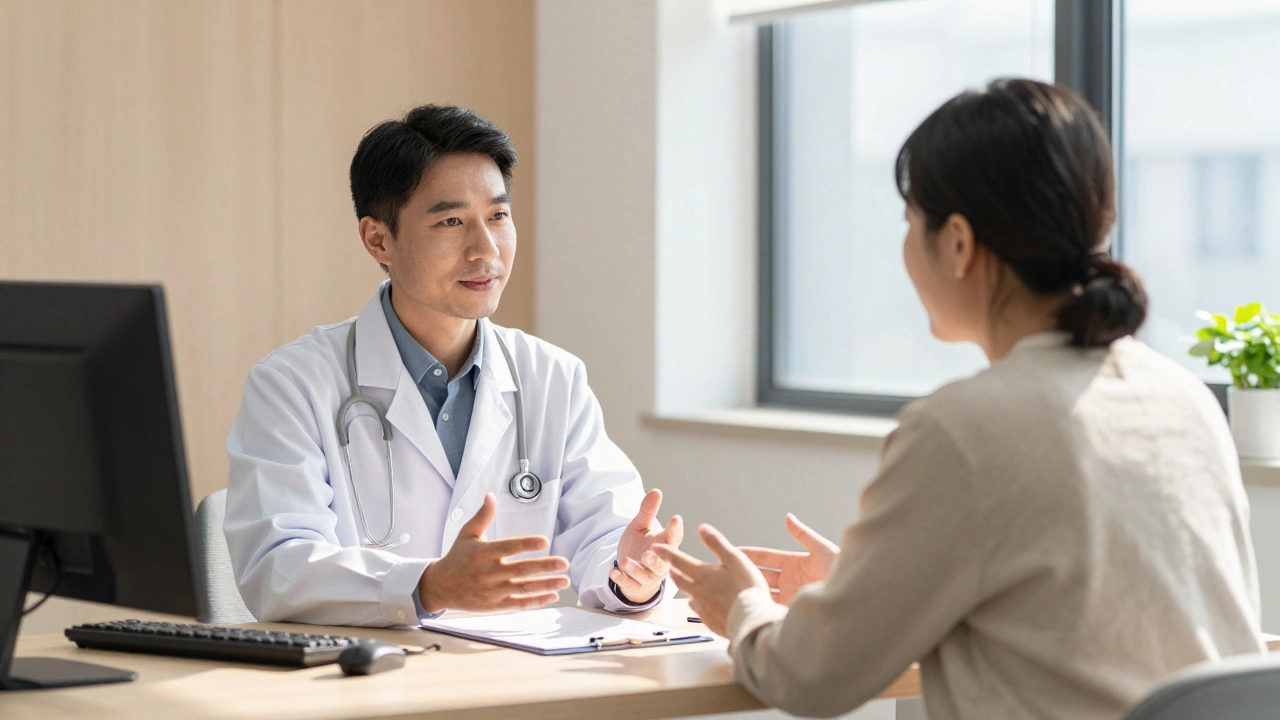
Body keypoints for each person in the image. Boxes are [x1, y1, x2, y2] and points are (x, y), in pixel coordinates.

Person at [657, 78, 1265, 719]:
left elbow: (809, 681)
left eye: (909, 222)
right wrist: (862, 592)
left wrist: (742, 610)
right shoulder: (1183, 399)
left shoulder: (961, 431)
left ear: (956, 242)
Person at [225, 104, 681, 626]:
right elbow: (277, 567)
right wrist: (428, 586)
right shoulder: (292, 385)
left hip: (512, 685)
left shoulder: (552, 377)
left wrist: (632, 572)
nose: (485, 250)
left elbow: (605, 536)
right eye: (450, 221)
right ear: (379, 239)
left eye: (498, 216)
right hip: (363, 684)